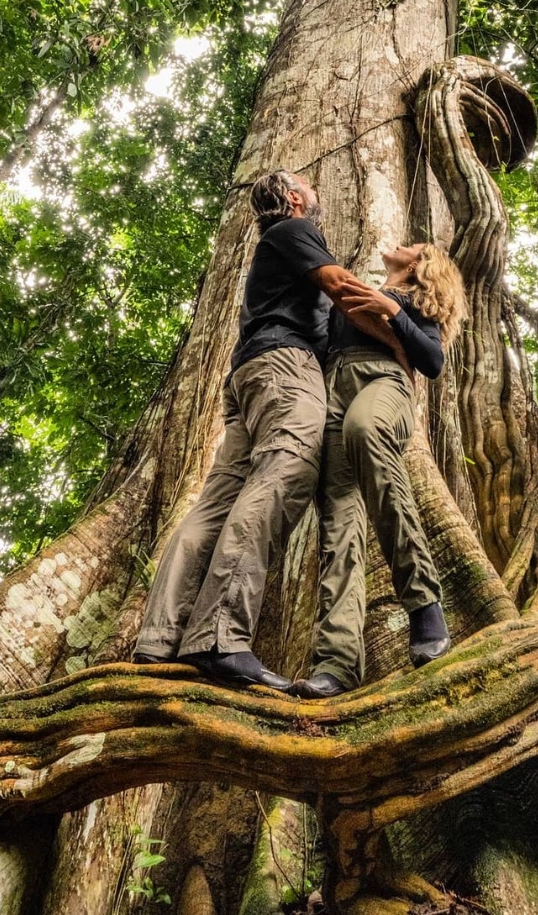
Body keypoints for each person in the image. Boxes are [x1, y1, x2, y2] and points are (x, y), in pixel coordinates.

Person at [132, 170, 410, 690]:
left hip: (247, 375)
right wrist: (403, 335)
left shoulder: (276, 245)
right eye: (310, 185)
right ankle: (219, 637)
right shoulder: (294, 229)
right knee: (287, 474)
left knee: (217, 503)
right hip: (285, 367)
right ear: (293, 198)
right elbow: (342, 288)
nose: (317, 190)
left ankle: (160, 639)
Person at [290, 242, 467, 699]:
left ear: (420, 265)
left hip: (384, 381)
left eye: (414, 245)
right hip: (332, 387)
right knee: (338, 523)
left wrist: (392, 310)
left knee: (366, 428)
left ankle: (423, 603)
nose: (402, 244)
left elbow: (431, 361)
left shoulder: (412, 302)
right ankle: (336, 662)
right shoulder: (355, 293)